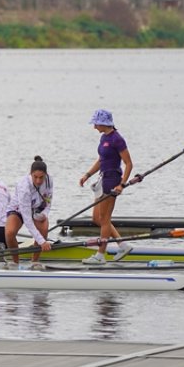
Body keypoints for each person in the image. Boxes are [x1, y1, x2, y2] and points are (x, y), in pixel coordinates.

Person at [78, 109, 134, 264]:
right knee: (97, 218)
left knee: (104, 219)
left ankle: (100, 255)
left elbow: (129, 164)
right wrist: (87, 175)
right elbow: (101, 160)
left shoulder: (117, 139)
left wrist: (121, 184)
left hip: (112, 180)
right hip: (102, 179)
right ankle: (123, 245)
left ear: (104, 123)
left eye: (96, 123)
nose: (94, 127)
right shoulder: (103, 138)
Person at [4, 156, 54, 269]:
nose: (38, 181)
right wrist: (42, 242)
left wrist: (44, 214)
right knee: (10, 233)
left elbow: (48, 202)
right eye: (35, 177)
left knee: (44, 229)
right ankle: (15, 262)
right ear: (30, 174)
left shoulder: (49, 180)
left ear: (46, 175)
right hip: (18, 209)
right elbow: (27, 220)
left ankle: (35, 262)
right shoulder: (24, 187)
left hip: (37, 208)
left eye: (41, 177)